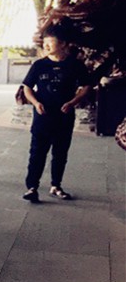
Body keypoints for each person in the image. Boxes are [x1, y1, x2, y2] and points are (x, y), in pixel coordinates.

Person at [20, 24, 92, 202]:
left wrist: (73, 102)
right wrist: (36, 103)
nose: (46, 46)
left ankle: (56, 186)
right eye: (44, 42)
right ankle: (32, 187)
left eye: (50, 42)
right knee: (37, 152)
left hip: (64, 116)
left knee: (60, 153)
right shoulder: (39, 65)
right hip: (42, 116)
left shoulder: (75, 65)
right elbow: (27, 87)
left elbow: (86, 86)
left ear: (63, 44)